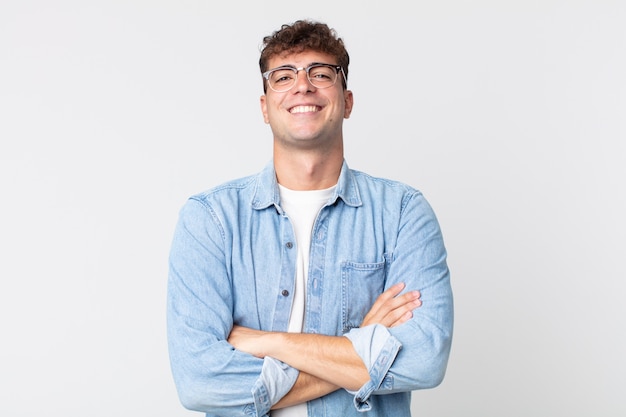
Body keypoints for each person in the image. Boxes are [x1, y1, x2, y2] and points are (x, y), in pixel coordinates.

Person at [167, 19, 454, 417]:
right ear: (265, 107)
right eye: (283, 77)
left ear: (347, 101)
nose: (303, 86)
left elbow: (423, 359)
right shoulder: (211, 220)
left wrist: (271, 342)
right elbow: (199, 382)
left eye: (321, 74)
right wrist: (362, 344)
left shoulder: (403, 213)